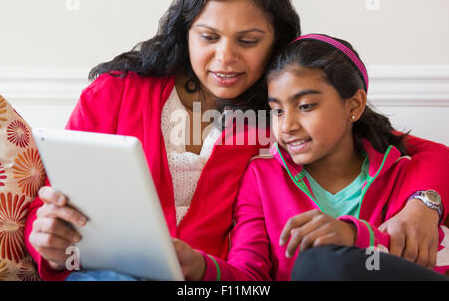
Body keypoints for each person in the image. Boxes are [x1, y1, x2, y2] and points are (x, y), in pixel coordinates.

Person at [24, 0, 448, 281]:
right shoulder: (114, 94)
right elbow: (57, 202)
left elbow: (424, 152)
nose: (224, 58)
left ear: (275, 43)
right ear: (185, 32)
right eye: (208, 36)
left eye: (248, 41)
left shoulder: (281, 120)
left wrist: (424, 203)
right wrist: (51, 245)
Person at [173, 34, 449, 281]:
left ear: (354, 105)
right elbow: (250, 276)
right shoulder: (261, 178)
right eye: (277, 111)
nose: (287, 125)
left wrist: (353, 237)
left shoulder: (403, 175)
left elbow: (415, 263)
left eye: (305, 106)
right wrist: (200, 267)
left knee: (318, 261)